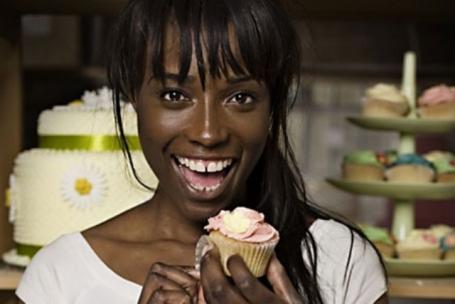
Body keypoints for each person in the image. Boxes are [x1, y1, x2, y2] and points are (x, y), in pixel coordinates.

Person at [16, 0, 388, 303]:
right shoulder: (61, 276)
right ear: (132, 96)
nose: (208, 133)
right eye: (175, 95)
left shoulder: (342, 261)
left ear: (272, 105)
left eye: (241, 97)